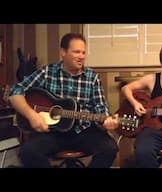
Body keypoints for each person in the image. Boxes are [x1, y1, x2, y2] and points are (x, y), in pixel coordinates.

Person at [8, 33, 119, 168]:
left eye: (84, 52)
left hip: (83, 131)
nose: (81, 56)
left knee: (109, 149)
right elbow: (15, 91)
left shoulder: (92, 77)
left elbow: (101, 107)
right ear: (63, 52)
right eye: (77, 52)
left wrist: (107, 122)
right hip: (53, 133)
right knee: (28, 152)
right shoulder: (48, 72)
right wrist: (31, 116)